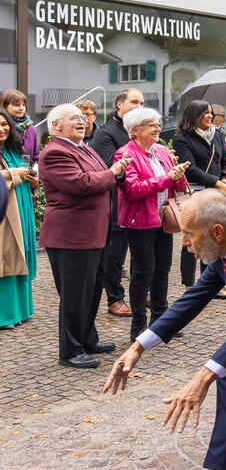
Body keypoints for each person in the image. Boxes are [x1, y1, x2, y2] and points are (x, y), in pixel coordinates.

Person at [103, 189, 226, 470]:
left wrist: (205, 374)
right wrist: (138, 346)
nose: (184, 243)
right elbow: (192, 299)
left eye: (188, 234)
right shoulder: (225, 248)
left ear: (217, 231)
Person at [38, 104, 131, 368]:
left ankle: (88, 339)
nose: (82, 122)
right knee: (75, 295)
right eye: (74, 119)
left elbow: (102, 176)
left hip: (95, 233)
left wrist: (118, 171)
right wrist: (113, 172)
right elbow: (81, 184)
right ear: (56, 125)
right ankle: (70, 351)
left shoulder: (83, 147)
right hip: (71, 235)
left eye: (83, 118)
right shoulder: (54, 152)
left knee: (91, 291)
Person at [116, 107, 189, 342]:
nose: (158, 128)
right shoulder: (125, 154)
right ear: (135, 130)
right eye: (152, 125)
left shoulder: (162, 151)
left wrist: (178, 171)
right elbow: (134, 190)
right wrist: (168, 177)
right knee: (143, 271)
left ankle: (161, 320)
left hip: (164, 219)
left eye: (158, 124)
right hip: (140, 221)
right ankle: (139, 324)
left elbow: (177, 187)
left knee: (163, 270)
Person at [91, 88, 144, 317]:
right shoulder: (106, 133)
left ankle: (140, 293)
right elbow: (109, 168)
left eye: (142, 102)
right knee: (115, 255)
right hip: (117, 203)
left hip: (141, 201)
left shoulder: (141, 131)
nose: (139, 106)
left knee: (141, 252)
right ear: (119, 104)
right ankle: (115, 298)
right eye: (134, 101)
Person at [173, 100, 226, 290]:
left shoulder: (218, 135)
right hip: (196, 192)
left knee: (212, 237)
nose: (210, 116)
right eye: (205, 113)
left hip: (217, 192)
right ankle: (189, 285)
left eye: (211, 113)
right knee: (192, 237)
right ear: (194, 116)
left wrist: (224, 179)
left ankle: (210, 284)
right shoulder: (182, 138)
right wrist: (216, 182)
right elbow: (191, 169)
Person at [0, 109, 38, 330]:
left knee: (23, 252)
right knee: (6, 257)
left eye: (5, 124)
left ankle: (22, 311)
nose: (2, 129)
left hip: (21, 206)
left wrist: (32, 177)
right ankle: (5, 315)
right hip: (5, 212)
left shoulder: (14, 148)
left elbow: (27, 168)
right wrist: (14, 174)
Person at [0, 89, 40, 167]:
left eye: (23, 105)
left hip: (27, 175)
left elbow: (36, 157)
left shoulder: (30, 128)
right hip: (9, 175)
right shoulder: (4, 129)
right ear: (5, 107)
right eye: (17, 105)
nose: (21, 108)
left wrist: (35, 174)